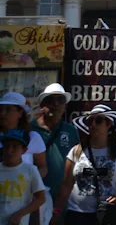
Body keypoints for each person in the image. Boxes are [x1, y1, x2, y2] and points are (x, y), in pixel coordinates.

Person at [52, 105, 116, 225]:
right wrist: (57, 211)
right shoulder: (76, 150)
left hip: (107, 213)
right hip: (77, 213)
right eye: (90, 121)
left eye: (98, 120)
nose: (93, 125)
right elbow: (66, 184)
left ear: (108, 124)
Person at [32, 84, 79, 225]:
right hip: (33, 196)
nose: (56, 104)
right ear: (42, 105)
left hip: (62, 198)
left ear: (65, 106)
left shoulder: (71, 131)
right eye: (51, 100)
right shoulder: (29, 130)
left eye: (60, 100)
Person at [0, 130, 46, 225]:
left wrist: (20, 214)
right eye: (6, 146)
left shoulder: (30, 170)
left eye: (15, 147)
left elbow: (41, 198)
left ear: (24, 150)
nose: (9, 151)